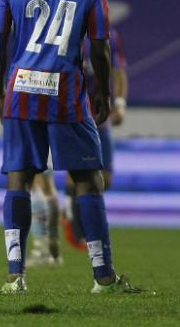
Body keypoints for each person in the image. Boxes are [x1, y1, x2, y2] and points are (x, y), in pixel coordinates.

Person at [0, 0, 144, 294]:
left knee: (19, 179)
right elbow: (101, 45)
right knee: (88, 180)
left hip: (22, 89)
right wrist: (103, 92)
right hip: (66, 92)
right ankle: (103, 276)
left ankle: (15, 275)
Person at [63, 29, 129, 250]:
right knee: (77, 172)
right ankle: (78, 229)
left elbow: (119, 71)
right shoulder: (67, 31)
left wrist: (120, 103)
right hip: (74, 113)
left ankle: (76, 217)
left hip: (100, 115)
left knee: (106, 177)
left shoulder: (108, 36)